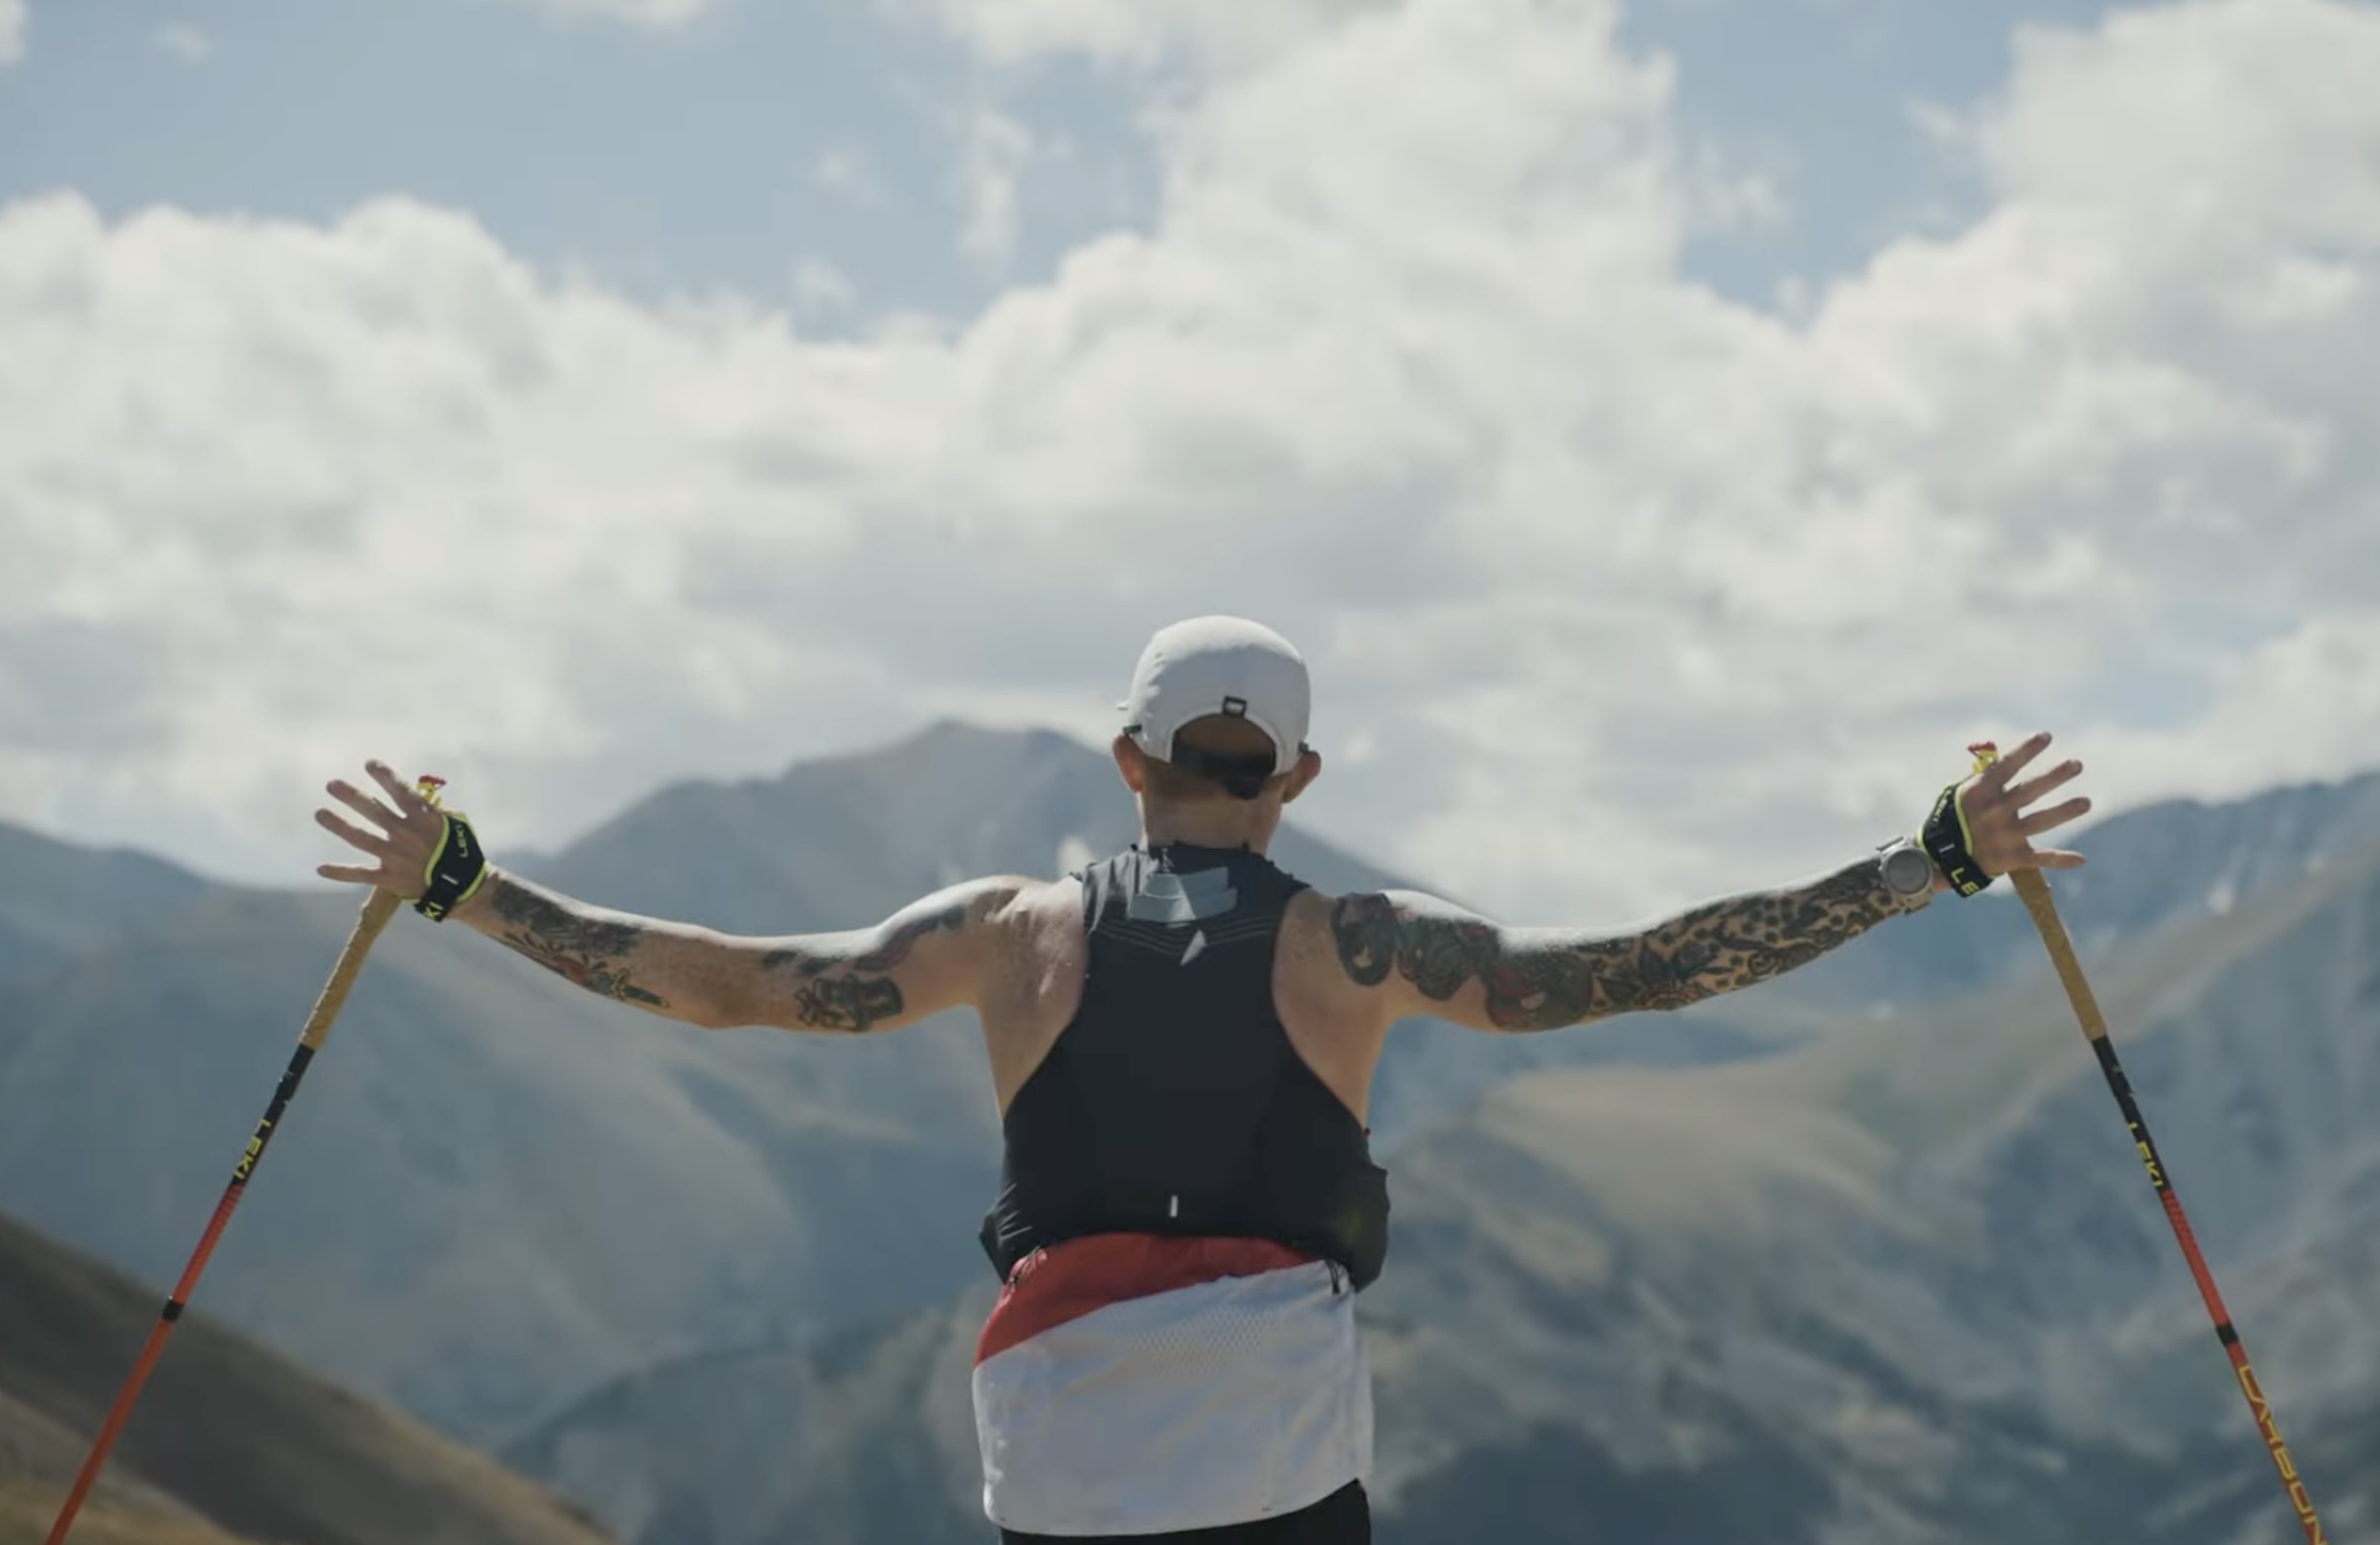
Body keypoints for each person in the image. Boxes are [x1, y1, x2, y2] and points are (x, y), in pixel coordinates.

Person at [313, 614, 2091, 1543]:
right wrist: (1921, 860)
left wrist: (472, 886)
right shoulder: (1363, 943)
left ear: (1126, 757)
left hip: (1061, 1453)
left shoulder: (1006, 933)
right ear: (1297, 775)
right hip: (1274, 1448)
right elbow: (1627, 973)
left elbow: (726, 989)